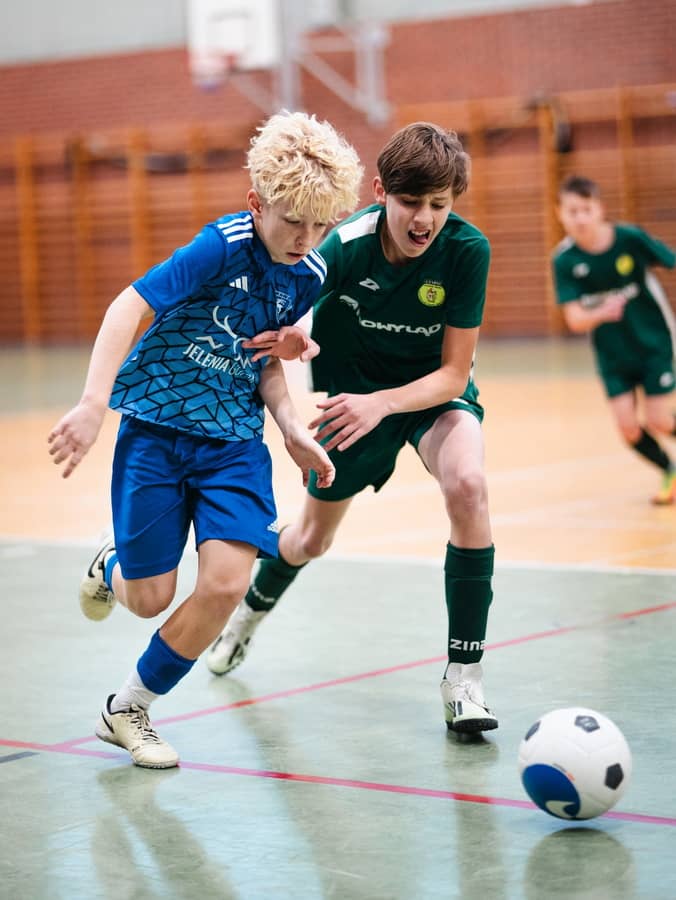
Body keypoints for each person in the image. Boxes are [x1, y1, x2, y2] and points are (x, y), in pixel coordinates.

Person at [47, 110, 363, 768]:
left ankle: (128, 708)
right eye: (293, 221)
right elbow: (129, 305)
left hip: (234, 446)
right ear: (257, 202)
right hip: (158, 432)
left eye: (320, 226)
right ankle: (112, 564)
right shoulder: (220, 245)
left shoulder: (308, 273)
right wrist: (93, 403)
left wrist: (292, 429)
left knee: (224, 584)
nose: (306, 239)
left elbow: (264, 360)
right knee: (149, 599)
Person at [207, 121, 499, 735]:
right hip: (351, 406)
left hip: (427, 397)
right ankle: (250, 612)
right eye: (411, 202)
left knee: (469, 486)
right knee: (310, 541)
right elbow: (300, 317)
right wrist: (295, 337)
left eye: (439, 204)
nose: (424, 219)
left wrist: (384, 403)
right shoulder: (342, 244)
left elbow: (453, 374)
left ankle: (464, 679)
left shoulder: (467, 251)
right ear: (380, 192)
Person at [552, 175, 676, 505]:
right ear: (559, 214)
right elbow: (575, 319)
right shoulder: (564, 260)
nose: (580, 218)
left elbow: (670, 260)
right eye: (572, 211)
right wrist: (602, 312)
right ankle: (670, 471)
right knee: (629, 429)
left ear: (600, 209)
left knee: (660, 420)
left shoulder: (630, 239)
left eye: (586, 209)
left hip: (653, 344)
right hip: (613, 356)